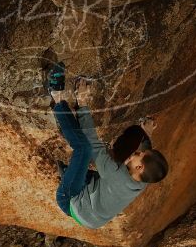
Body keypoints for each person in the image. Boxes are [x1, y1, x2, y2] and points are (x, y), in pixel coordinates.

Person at [49, 65, 168, 229]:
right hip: (95, 214)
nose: (134, 153)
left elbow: (92, 142)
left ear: (140, 167)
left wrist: (82, 103)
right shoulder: (144, 179)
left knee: (84, 149)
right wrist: (146, 133)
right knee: (104, 170)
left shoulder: (116, 176)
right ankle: (70, 173)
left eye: (138, 154)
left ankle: (56, 96)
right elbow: (148, 160)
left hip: (70, 200)